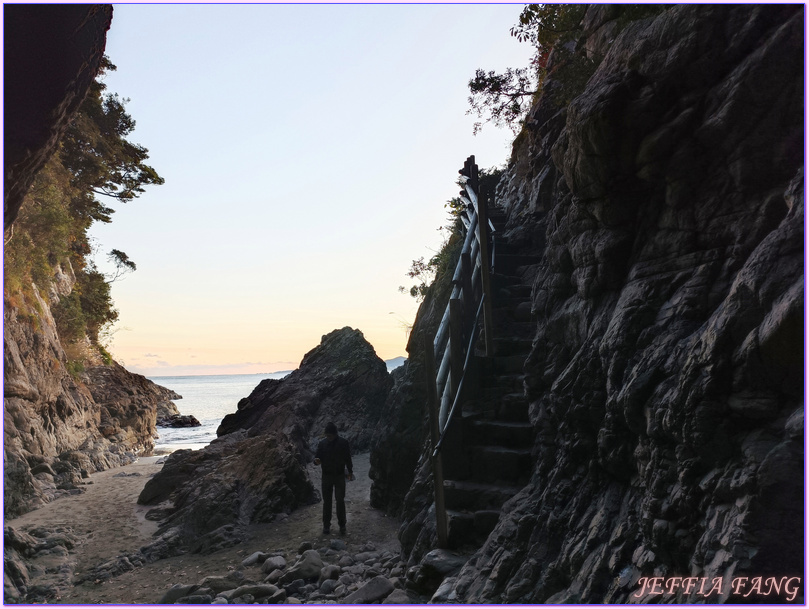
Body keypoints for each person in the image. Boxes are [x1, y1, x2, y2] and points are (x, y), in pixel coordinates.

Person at [313, 422, 354, 535]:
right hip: (326, 476)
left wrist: (350, 471)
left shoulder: (343, 443)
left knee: (340, 500)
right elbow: (317, 457)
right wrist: (316, 461)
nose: (328, 438)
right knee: (327, 502)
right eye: (327, 436)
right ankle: (326, 526)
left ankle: (342, 525)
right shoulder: (322, 444)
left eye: (330, 435)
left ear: (335, 434)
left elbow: (348, 458)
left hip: (340, 475)